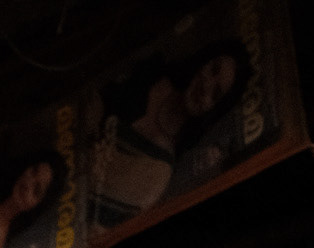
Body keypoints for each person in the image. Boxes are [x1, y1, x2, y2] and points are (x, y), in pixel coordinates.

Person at [90, 39, 253, 234]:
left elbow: (101, 222)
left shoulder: (159, 170)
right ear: (204, 60)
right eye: (213, 69)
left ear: (214, 110)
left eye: (216, 93)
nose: (206, 85)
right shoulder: (153, 70)